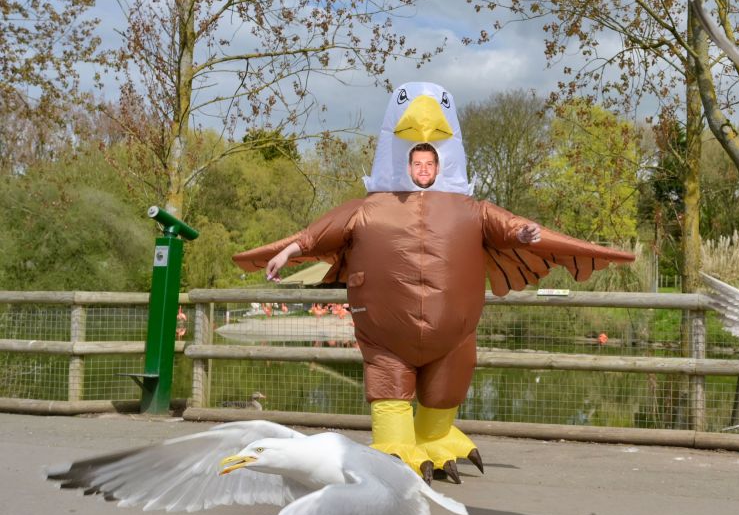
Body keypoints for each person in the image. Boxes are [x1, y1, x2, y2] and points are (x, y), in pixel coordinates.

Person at [235, 82, 634, 484]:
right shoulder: (368, 210)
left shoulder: (473, 211)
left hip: (455, 332)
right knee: (389, 374)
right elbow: (315, 235)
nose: (422, 166)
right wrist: (287, 252)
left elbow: (514, 228)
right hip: (384, 333)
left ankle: (435, 436)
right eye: (414, 161)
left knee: (452, 374)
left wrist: (527, 235)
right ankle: (394, 443)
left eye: (429, 162)